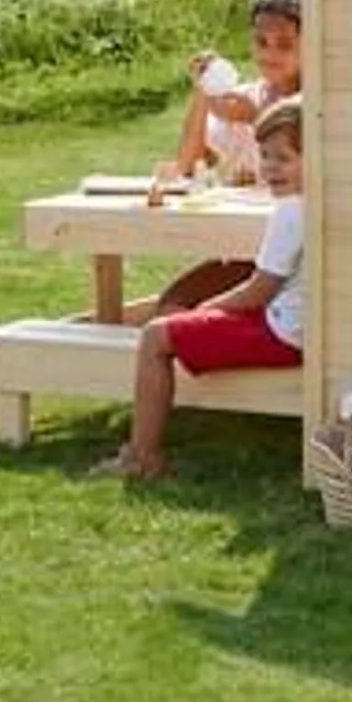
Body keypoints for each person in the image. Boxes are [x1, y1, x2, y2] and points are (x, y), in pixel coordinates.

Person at [94, 97, 306, 481]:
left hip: (285, 332)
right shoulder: (316, 204)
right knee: (180, 316)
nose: (270, 168)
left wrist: (206, 308)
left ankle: (142, 458)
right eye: (265, 156)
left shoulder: (291, 213)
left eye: (284, 158)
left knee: (157, 335)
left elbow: (259, 290)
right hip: (296, 323)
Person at [144, 0, 303, 318]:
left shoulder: (311, 110)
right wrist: (204, 91)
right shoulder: (241, 99)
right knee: (170, 308)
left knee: (182, 317)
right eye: (261, 43)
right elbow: (188, 165)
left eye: (285, 44)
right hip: (243, 251)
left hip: (289, 264)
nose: (270, 54)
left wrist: (260, 117)